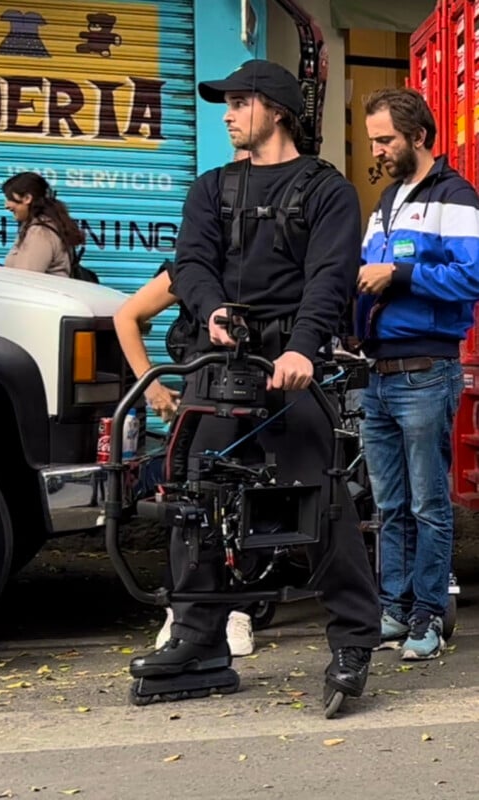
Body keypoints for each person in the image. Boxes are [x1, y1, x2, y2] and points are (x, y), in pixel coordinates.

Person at [129, 59, 381, 710]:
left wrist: (301, 349)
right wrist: (211, 308)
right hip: (219, 363)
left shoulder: (326, 191)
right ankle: (197, 638)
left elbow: (329, 277)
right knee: (195, 500)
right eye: (227, 102)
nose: (227, 112)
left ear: (275, 109)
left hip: (288, 366)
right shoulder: (210, 188)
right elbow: (190, 262)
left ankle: (352, 641)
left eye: (239, 101)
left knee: (321, 503)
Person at [357, 88, 479, 660]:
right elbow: (363, 276)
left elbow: (470, 279)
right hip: (378, 374)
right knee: (388, 506)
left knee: (428, 504)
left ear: (419, 137)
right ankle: (394, 610)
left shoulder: (455, 196)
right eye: (373, 140)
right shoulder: (386, 200)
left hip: (427, 372)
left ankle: (428, 617)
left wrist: (398, 275)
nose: (377, 150)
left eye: (385, 140)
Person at [113, 212, 255, 656]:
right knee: (191, 503)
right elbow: (126, 317)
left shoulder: (264, 272)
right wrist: (151, 386)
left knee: (247, 502)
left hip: (257, 395)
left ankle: (238, 611)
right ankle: (183, 610)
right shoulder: (185, 271)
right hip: (201, 396)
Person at [2, 171, 84, 277]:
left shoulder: (40, 233)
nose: (6, 205)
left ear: (27, 198)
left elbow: (26, 279)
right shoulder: (46, 226)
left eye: (9, 199)